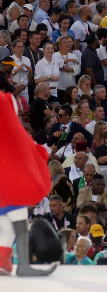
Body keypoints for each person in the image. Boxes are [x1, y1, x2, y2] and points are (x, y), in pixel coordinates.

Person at [1, 92, 59, 276]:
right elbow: (29, 149)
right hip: (11, 188)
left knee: (7, 227)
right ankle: (23, 265)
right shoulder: (11, 129)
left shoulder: (10, 129)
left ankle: (4, 262)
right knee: (19, 226)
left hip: (6, 188)